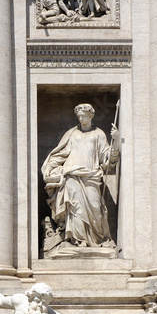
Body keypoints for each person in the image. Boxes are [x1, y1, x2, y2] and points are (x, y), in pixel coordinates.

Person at [41, 103, 119, 250]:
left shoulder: (99, 134)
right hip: (72, 175)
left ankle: (96, 239)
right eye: (79, 116)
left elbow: (107, 160)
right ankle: (77, 240)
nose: (81, 118)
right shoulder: (72, 134)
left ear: (91, 115)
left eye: (83, 115)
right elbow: (60, 154)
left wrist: (116, 141)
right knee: (75, 207)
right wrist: (50, 167)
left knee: (96, 207)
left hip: (91, 176)